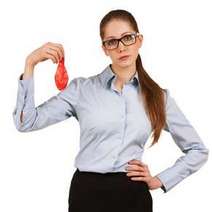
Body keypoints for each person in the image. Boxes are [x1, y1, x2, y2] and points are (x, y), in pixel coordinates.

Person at [12, 9, 209, 212]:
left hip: (133, 196)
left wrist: (160, 180)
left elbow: (198, 150)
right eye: (112, 41)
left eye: (128, 38)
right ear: (105, 48)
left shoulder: (159, 97)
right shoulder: (82, 90)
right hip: (86, 195)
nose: (121, 47)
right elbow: (26, 122)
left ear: (139, 40)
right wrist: (30, 63)